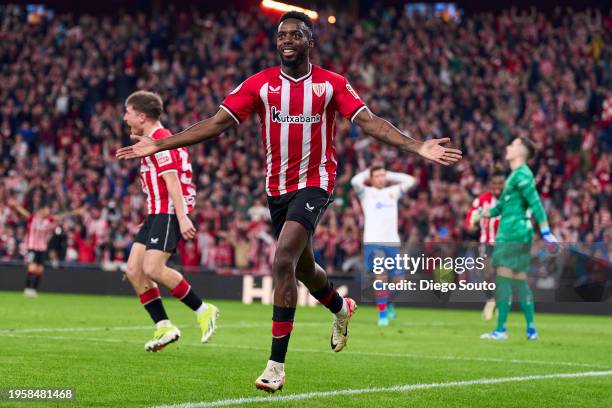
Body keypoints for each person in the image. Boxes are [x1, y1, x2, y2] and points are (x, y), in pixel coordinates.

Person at [117, 12, 462, 392]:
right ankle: (340, 307)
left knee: (281, 259)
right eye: (282, 35)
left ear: (309, 41)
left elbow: (369, 122)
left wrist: (416, 146)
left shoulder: (332, 85)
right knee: (303, 269)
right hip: (277, 189)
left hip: (316, 183)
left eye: (295, 34)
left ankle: (275, 367)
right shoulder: (260, 85)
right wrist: (161, 142)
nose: (287, 40)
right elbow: (216, 123)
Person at [122, 90, 219, 352]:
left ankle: (204, 309)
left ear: (141, 116)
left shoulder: (162, 138)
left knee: (153, 269)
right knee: (134, 270)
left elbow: (172, 180)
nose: (124, 117)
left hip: (168, 211)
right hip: (157, 212)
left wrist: (182, 216)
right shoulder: (152, 139)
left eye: (128, 112)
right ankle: (164, 326)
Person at [477, 137, 557, 341]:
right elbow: (501, 207)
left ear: (521, 151)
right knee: (520, 281)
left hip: (513, 233)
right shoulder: (515, 176)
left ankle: (501, 330)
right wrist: (486, 212)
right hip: (516, 231)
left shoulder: (522, 174)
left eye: (512, 145)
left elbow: (535, 202)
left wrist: (546, 231)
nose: (507, 147)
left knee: (503, 278)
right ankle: (531, 329)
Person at [351, 165, 416, 326]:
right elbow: (354, 181)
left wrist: (390, 174)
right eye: (378, 176)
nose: (381, 178)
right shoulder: (366, 193)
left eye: (383, 175)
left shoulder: (392, 192)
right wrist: (368, 171)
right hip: (373, 242)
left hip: (392, 242)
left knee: (399, 282)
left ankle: (388, 302)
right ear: (371, 178)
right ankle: (382, 315)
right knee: (381, 276)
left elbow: (411, 180)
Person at [8, 198, 82, 297]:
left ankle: (34, 289)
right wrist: (16, 205)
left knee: (40, 270)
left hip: (42, 248)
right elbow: (24, 212)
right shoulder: (33, 218)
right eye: (46, 209)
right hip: (32, 247)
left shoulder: (49, 220)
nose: (48, 211)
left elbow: (60, 216)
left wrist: (74, 212)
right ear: (41, 210)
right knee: (32, 268)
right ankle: (27, 289)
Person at [464, 171, 504, 320]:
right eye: (494, 184)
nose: (497, 187)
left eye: (500, 184)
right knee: (487, 275)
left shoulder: (509, 200)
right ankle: (490, 300)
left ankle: (500, 304)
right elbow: (471, 216)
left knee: (501, 276)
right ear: (490, 185)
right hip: (487, 243)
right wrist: (470, 225)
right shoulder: (482, 200)